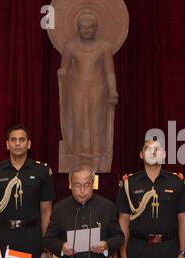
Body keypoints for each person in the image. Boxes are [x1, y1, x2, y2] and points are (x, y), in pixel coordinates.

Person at [0, 125, 55, 258]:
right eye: (13, 140)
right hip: (4, 238)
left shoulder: (41, 171)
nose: (17, 143)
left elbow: (46, 212)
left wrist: (45, 249)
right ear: (7, 144)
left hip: (31, 238)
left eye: (21, 140)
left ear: (29, 144)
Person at [116, 139, 185, 258]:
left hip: (167, 248)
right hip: (138, 248)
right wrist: (124, 254)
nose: (153, 152)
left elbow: (183, 220)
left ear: (164, 154)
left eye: (157, 149)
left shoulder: (176, 182)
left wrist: (182, 253)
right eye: (148, 149)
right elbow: (123, 221)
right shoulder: (129, 183)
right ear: (141, 154)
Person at [58, 9, 118, 173]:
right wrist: (62, 73)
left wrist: (113, 91)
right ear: (77, 27)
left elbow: (109, 72)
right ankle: (76, 165)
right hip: (76, 90)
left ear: (96, 27)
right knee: (78, 126)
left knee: (96, 127)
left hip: (98, 89)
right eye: (83, 27)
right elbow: (64, 68)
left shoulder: (104, 47)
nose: (86, 30)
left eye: (90, 27)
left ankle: (97, 166)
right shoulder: (70, 47)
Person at [43, 164, 124, 258]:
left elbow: (119, 237)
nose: (82, 191)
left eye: (87, 185)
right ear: (70, 184)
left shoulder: (107, 206)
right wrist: (62, 247)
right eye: (77, 185)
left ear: (93, 184)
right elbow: (48, 239)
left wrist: (106, 245)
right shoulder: (60, 208)